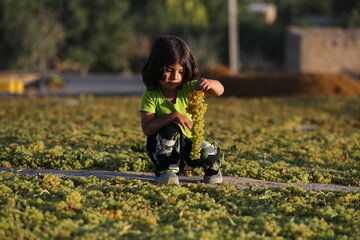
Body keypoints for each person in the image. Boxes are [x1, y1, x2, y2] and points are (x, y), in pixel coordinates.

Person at [140, 36, 224, 184]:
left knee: (210, 151)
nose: (175, 77)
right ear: (156, 67)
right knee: (171, 130)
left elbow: (220, 91)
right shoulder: (151, 93)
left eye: (181, 72)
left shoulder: (189, 88)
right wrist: (173, 116)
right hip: (162, 151)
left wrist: (211, 83)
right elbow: (147, 128)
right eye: (170, 70)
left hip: (187, 149)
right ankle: (165, 171)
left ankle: (213, 171)